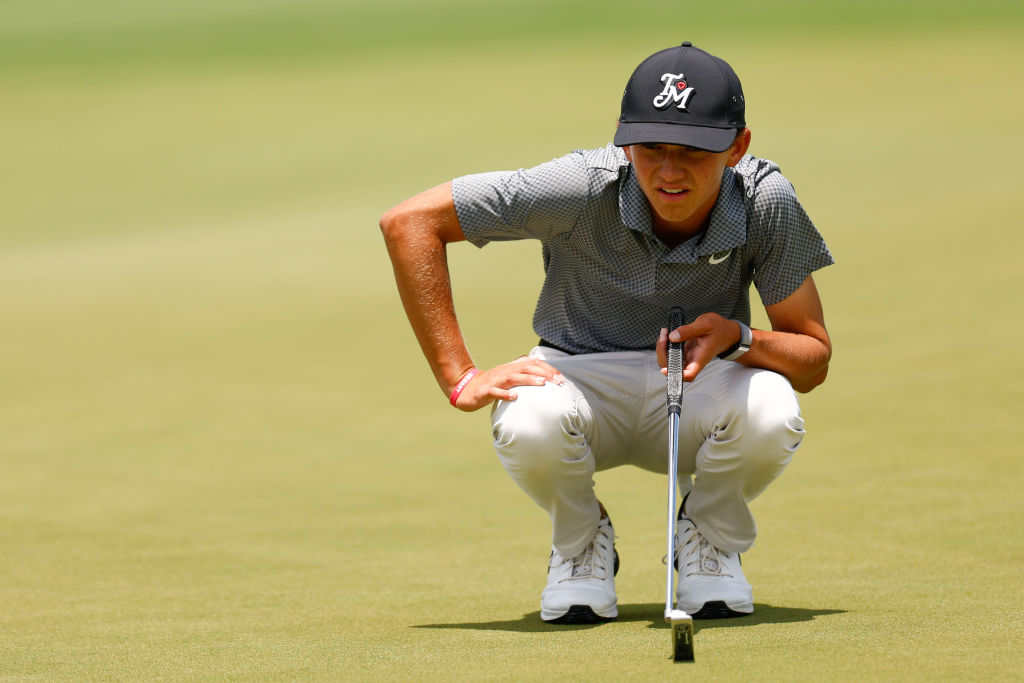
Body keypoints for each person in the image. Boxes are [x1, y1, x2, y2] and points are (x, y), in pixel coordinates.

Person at [379, 42, 833, 624]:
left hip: (700, 386)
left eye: (694, 150)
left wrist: (739, 336)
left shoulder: (765, 200)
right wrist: (459, 373)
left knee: (774, 408)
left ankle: (709, 541)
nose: (669, 171)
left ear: (738, 147)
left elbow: (813, 359)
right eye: (651, 148)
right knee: (527, 419)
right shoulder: (578, 186)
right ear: (622, 137)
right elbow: (411, 222)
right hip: (578, 378)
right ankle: (580, 545)